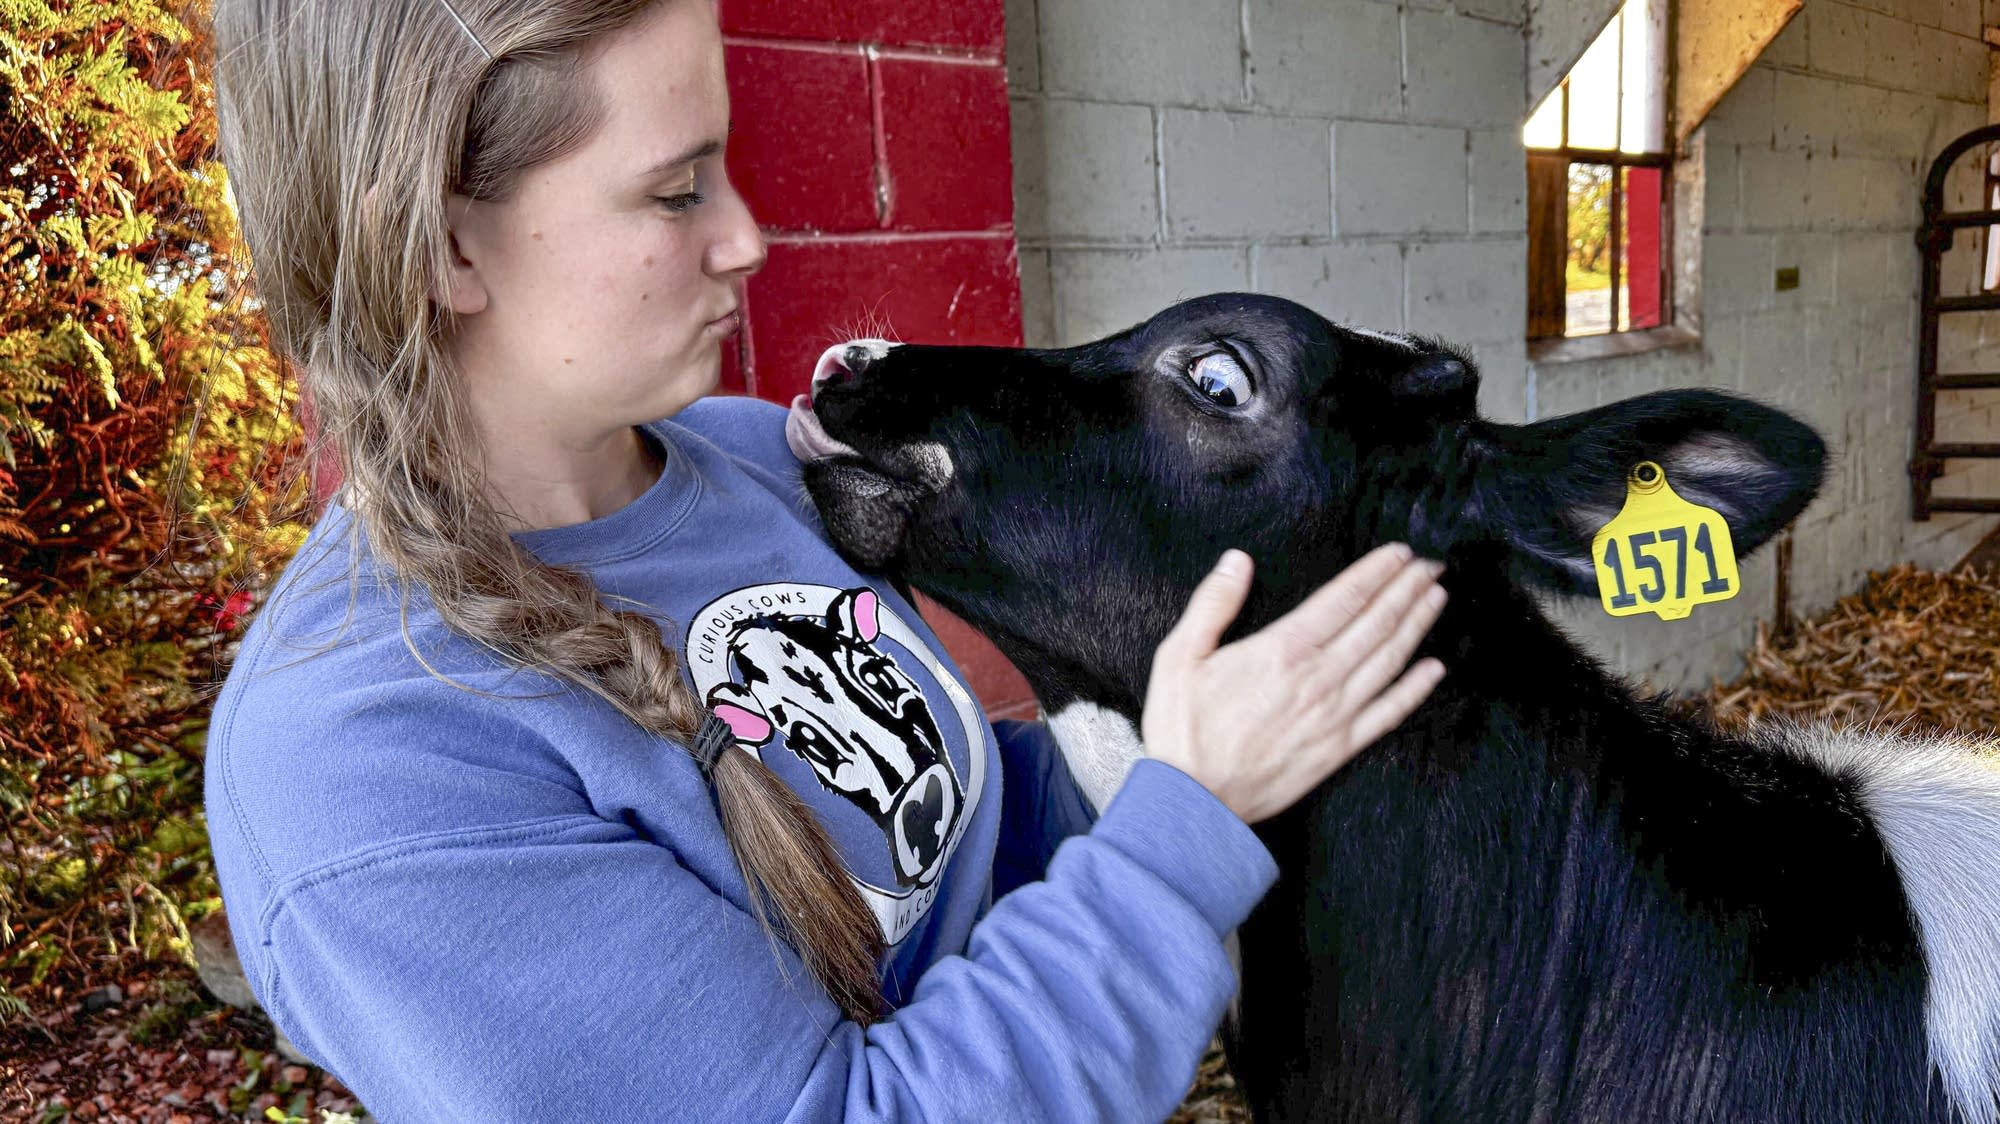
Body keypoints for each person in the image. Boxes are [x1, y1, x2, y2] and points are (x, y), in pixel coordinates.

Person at [200, 0, 1450, 1119]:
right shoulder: (363, 760)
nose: (746, 237)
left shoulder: (746, 461)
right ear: (442, 248)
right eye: (677, 189)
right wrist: (1186, 824)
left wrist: (1164, 725)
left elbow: (966, 848)